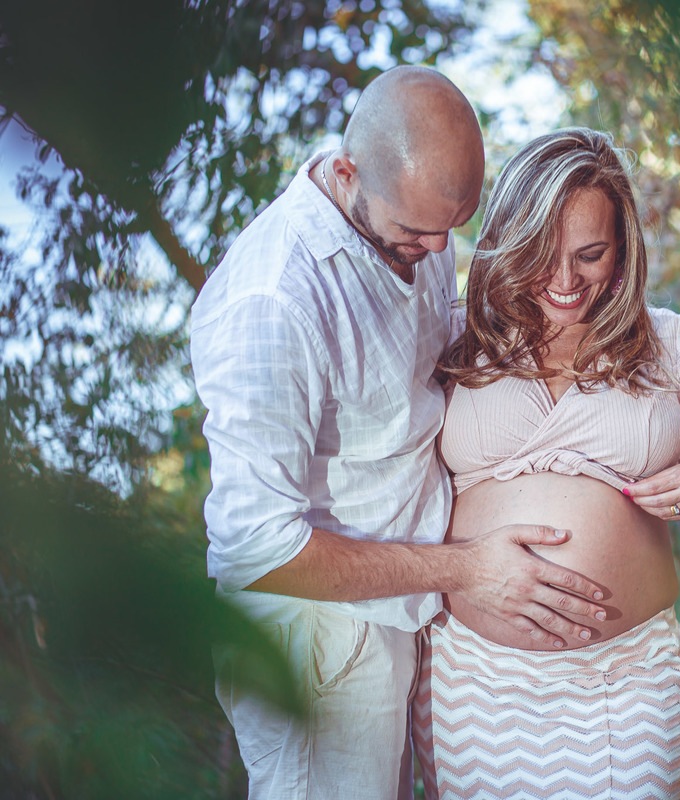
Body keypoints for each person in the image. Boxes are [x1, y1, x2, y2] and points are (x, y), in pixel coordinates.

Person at [189, 68, 608, 800]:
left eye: (452, 228)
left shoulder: (417, 220)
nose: (438, 246)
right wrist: (469, 569)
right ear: (348, 173)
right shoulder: (272, 298)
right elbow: (259, 550)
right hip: (319, 645)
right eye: (417, 232)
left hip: (402, 621)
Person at [413, 127, 680, 799]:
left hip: (627, 683)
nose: (566, 281)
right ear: (510, 241)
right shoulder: (456, 335)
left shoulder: (665, 342)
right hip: (476, 679)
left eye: (591, 255)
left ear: (623, 249)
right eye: (544, 254)